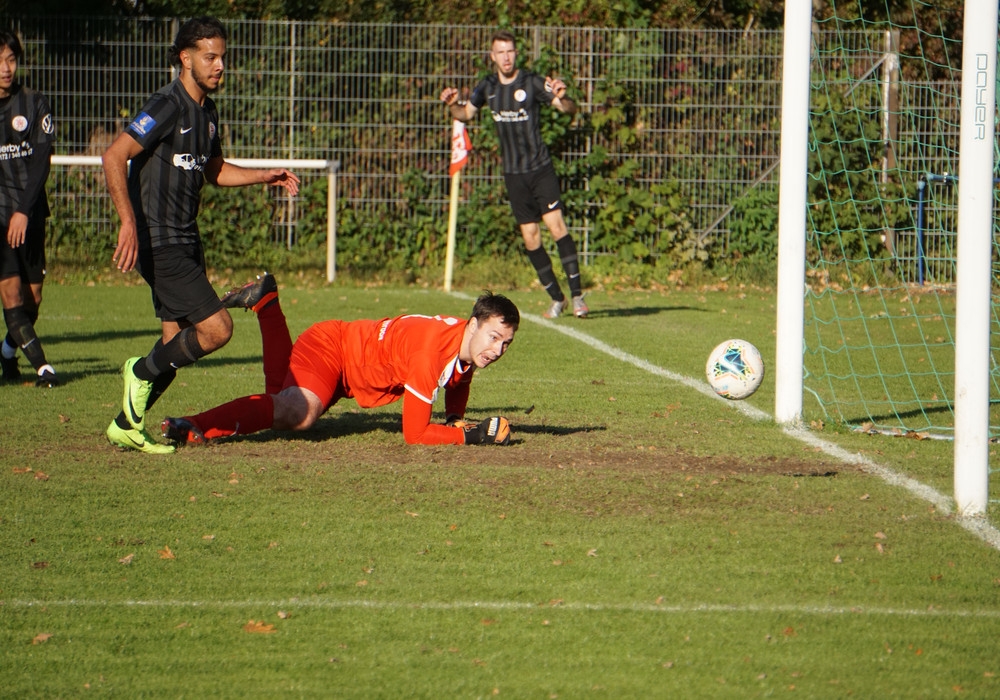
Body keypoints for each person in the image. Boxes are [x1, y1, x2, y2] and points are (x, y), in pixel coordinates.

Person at [102, 16, 300, 454]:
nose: (219, 65)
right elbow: (114, 156)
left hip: (186, 239)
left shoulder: (207, 112)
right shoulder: (167, 104)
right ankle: (137, 373)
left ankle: (126, 424)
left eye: (222, 57)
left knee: (176, 344)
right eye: (210, 57)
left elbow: (213, 170)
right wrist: (128, 221)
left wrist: (263, 175)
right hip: (159, 238)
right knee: (216, 329)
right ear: (184, 58)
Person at [161, 280, 517, 447]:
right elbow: (415, 435)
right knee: (295, 413)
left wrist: (455, 418)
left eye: (506, 343)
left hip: (344, 361)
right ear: (472, 325)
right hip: (332, 348)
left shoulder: (463, 340)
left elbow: (461, 373)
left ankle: (267, 303)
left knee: (279, 405)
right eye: (493, 337)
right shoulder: (431, 353)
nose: (497, 350)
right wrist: (469, 435)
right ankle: (192, 425)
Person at [440, 30, 588, 320]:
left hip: (540, 169)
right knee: (531, 238)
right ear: (492, 56)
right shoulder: (488, 86)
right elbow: (466, 114)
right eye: (501, 52)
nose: (506, 57)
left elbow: (569, 109)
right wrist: (450, 104)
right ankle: (557, 299)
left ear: (515, 54)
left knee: (557, 227)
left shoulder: (532, 82)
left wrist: (564, 96)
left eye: (510, 51)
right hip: (514, 175)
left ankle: (578, 296)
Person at [0, 30, 58, 387]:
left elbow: (41, 162)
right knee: (11, 291)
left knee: (32, 298)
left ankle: (7, 352)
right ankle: (43, 367)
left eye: (10, 59)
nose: (5, 68)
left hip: (31, 213)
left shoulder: (34, 102)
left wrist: (23, 209)